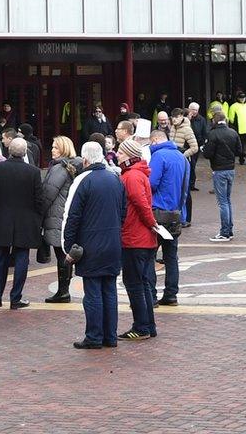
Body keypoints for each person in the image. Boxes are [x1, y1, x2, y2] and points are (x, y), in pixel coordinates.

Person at [65, 141, 126, 348]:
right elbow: (123, 212)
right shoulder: (115, 179)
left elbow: (72, 216)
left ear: (85, 159)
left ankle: (94, 336)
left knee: (92, 293)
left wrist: (69, 245)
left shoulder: (83, 180)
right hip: (113, 242)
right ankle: (110, 335)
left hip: (90, 244)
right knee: (109, 290)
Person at [0, 134, 43, 309]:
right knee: (22, 257)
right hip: (25, 220)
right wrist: (36, 217)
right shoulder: (33, 172)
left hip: (2, 218)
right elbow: (39, 199)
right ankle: (16, 298)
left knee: (0, 257)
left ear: (9, 150)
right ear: (25, 152)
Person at [117, 136, 159, 340]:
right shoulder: (139, 174)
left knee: (134, 284)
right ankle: (148, 325)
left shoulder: (131, 176)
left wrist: (152, 222)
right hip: (142, 238)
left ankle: (141, 326)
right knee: (142, 284)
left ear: (130, 155)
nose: (117, 154)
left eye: (121, 152)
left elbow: (141, 204)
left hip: (134, 238)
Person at [147, 121, 187, 304]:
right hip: (175, 213)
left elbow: (152, 183)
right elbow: (185, 188)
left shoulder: (158, 156)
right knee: (171, 257)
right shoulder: (181, 157)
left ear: (155, 140)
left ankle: (151, 295)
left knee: (150, 255)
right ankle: (171, 294)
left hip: (158, 212)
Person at [39, 137, 79, 303]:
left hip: (57, 215)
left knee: (62, 255)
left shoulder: (59, 169)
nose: (52, 150)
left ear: (64, 149)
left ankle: (63, 292)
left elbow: (48, 194)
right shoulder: (73, 166)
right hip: (65, 214)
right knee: (64, 254)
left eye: (56, 147)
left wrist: (39, 214)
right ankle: (63, 290)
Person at [203, 108, 241, 241]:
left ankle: (225, 232)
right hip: (231, 168)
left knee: (223, 202)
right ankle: (229, 230)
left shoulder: (213, 134)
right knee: (227, 201)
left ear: (214, 120)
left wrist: (205, 149)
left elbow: (207, 154)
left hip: (219, 169)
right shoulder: (233, 132)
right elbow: (239, 150)